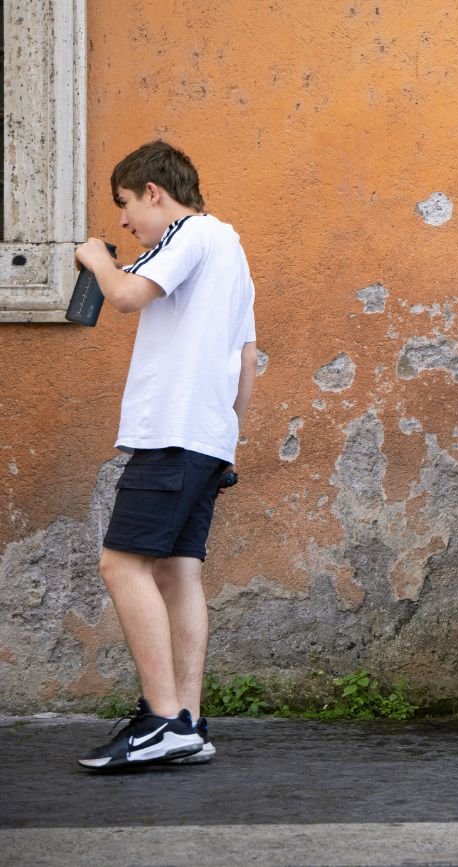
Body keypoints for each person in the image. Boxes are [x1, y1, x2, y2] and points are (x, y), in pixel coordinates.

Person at [74, 141, 257, 769]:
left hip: (172, 433)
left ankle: (160, 719)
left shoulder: (191, 232)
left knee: (121, 566)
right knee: (178, 573)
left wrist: (98, 259)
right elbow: (248, 359)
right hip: (206, 436)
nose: (124, 221)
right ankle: (188, 720)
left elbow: (125, 296)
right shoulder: (231, 247)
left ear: (154, 190)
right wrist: (228, 440)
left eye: (126, 205)